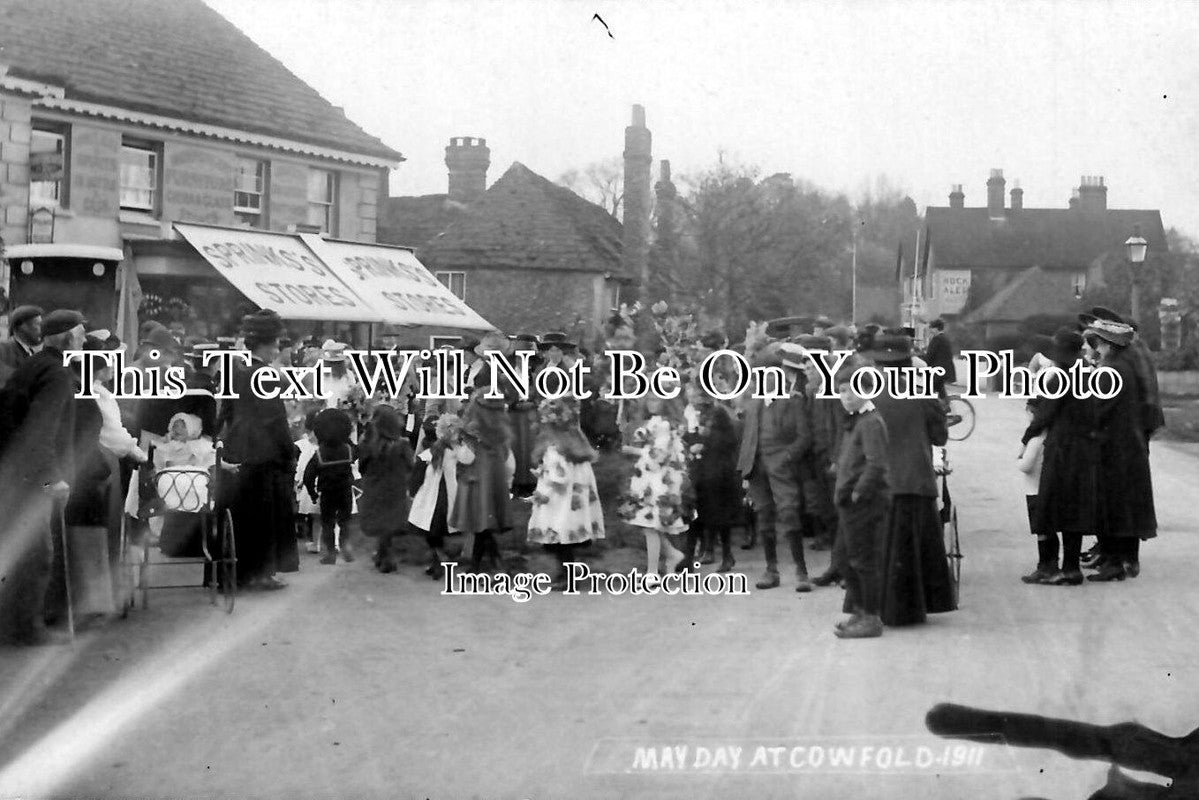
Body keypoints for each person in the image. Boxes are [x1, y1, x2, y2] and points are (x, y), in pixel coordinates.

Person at [0, 309, 86, 645]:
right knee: (38, 553)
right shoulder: (59, 373)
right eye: (80, 336)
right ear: (67, 338)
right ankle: (27, 629)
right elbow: (42, 429)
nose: (82, 341)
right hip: (33, 477)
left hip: (14, 471)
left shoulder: (35, 365)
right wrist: (53, 478)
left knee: (24, 550)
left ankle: (14, 624)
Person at [865, 333, 956, 626]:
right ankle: (914, 608)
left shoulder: (866, 394)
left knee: (882, 546)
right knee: (914, 547)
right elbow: (939, 435)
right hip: (915, 479)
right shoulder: (922, 393)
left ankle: (882, 606)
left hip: (879, 481)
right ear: (908, 362)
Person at [217, 310, 298, 590]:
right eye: (276, 343)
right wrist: (290, 452)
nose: (278, 348)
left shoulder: (237, 372)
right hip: (264, 453)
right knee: (265, 516)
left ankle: (241, 572)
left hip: (238, 449)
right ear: (266, 344)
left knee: (243, 515)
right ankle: (262, 574)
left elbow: (226, 411)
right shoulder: (264, 374)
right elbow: (276, 420)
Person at [735, 342, 813, 591]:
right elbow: (747, 438)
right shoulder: (753, 405)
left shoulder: (793, 402)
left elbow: (804, 438)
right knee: (764, 517)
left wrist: (786, 457)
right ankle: (771, 569)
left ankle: (801, 571)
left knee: (789, 514)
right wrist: (745, 470)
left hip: (782, 468)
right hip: (757, 469)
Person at [1084, 319, 1157, 581]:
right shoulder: (1127, 366)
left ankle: (1113, 563)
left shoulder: (1112, 371)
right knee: (1128, 503)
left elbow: (1099, 408)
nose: (1097, 347)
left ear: (1109, 345)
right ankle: (1127, 558)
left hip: (1115, 446)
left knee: (1113, 503)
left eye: (1100, 343)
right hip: (1129, 444)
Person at [1019, 328, 1094, 586]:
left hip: (1062, 448)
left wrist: (1026, 438)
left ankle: (1053, 567)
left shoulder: (1061, 377)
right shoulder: (1087, 373)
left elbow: (1045, 414)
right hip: (1083, 449)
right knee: (1073, 509)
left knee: (1050, 505)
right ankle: (1071, 567)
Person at [832, 359, 891, 639]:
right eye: (842, 391)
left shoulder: (870, 421)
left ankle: (871, 616)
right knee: (845, 560)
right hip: (848, 502)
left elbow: (876, 463)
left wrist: (857, 492)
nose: (846, 397)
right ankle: (858, 609)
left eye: (851, 390)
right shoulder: (856, 421)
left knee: (863, 561)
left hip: (864, 504)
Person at [527, 398, 605, 589]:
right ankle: (568, 570)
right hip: (573, 500)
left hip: (559, 500)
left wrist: (544, 473)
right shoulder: (576, 446)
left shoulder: (554, 449)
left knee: (558, 536)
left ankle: (568, 574)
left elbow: (558, 478)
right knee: (564, 535)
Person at [619, 396, 692, 585]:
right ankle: (672, 555)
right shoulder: (655, 422)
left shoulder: (666, 425)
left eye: (656, 400)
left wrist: (634, 450)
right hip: (650, 478)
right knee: (649, 524)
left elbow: (658, 456)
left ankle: (652, 573)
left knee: (651, 524)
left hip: (660, 480)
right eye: (649, 399)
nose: (652, 403)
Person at [450, 391, 514, 573]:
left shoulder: (472, 430)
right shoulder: (500, 433)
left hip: (476, 481)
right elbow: (508, 459)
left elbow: (465, 457)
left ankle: (497, 565)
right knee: (482, 527)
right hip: (494, 481)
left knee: (482, 526)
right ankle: (476, 566)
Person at [681, 380, 741, 572]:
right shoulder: (690, 414)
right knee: (694, 513)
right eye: (692, 396)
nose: (695, 400)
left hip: (718, 470)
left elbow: (730, 440)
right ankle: (688, 557)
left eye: (698, 395)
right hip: (698, 469)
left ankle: (726, 554)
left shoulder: (719, 413)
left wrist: (706, 443)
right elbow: (688, 436)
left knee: (719, 514)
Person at [357, 405, 413, 573]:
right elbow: (410, 465)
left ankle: (383, 555)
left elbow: (362, 468)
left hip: (375, 488)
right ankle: (385, 556)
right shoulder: (402, 444)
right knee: (389, 524)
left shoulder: (368, 443)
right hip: (395, 489)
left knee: (381, 523)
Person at [409, 413, 462, 579]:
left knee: (431, 531)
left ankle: (438, 559)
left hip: (434, 498)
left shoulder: (434, 450)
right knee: (436, 531)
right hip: (442, 498)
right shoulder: (454, 452)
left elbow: (418, 470)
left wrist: (412, 490)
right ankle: (439, 558)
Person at [303, 407, 357, 565]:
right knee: (345, 521)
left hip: (327, 493)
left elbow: (308, 476)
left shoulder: (319, 454)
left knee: (328, 523)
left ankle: (331, 554)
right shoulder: (348, 450)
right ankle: (346, 547)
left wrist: (312, 494)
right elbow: (359, 451)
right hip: (345, 490)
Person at [294, 411, 321, 554]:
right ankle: (330, 543)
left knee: (316, 515)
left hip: (313, 482)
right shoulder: (302, 446)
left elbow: (302, 468)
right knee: (323, 516)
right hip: (314, 481)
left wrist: (297, 481)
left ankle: (317, 542)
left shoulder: (308, 446)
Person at [0, 304, 43, 390]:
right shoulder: (3, 350)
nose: (41, 329)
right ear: (23, 327)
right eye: (37, 324)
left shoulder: (31, 353)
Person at [924, 319, 956, 396]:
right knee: (940, 392)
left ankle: (935, 407)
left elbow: (930, 356)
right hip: (946, 371)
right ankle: (945, 406)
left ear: (936, 328)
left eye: (931, 328)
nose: (930, 330)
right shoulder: (945, 338)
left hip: (938, 372)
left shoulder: (936, 339)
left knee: (927, 392)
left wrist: (921, 365)